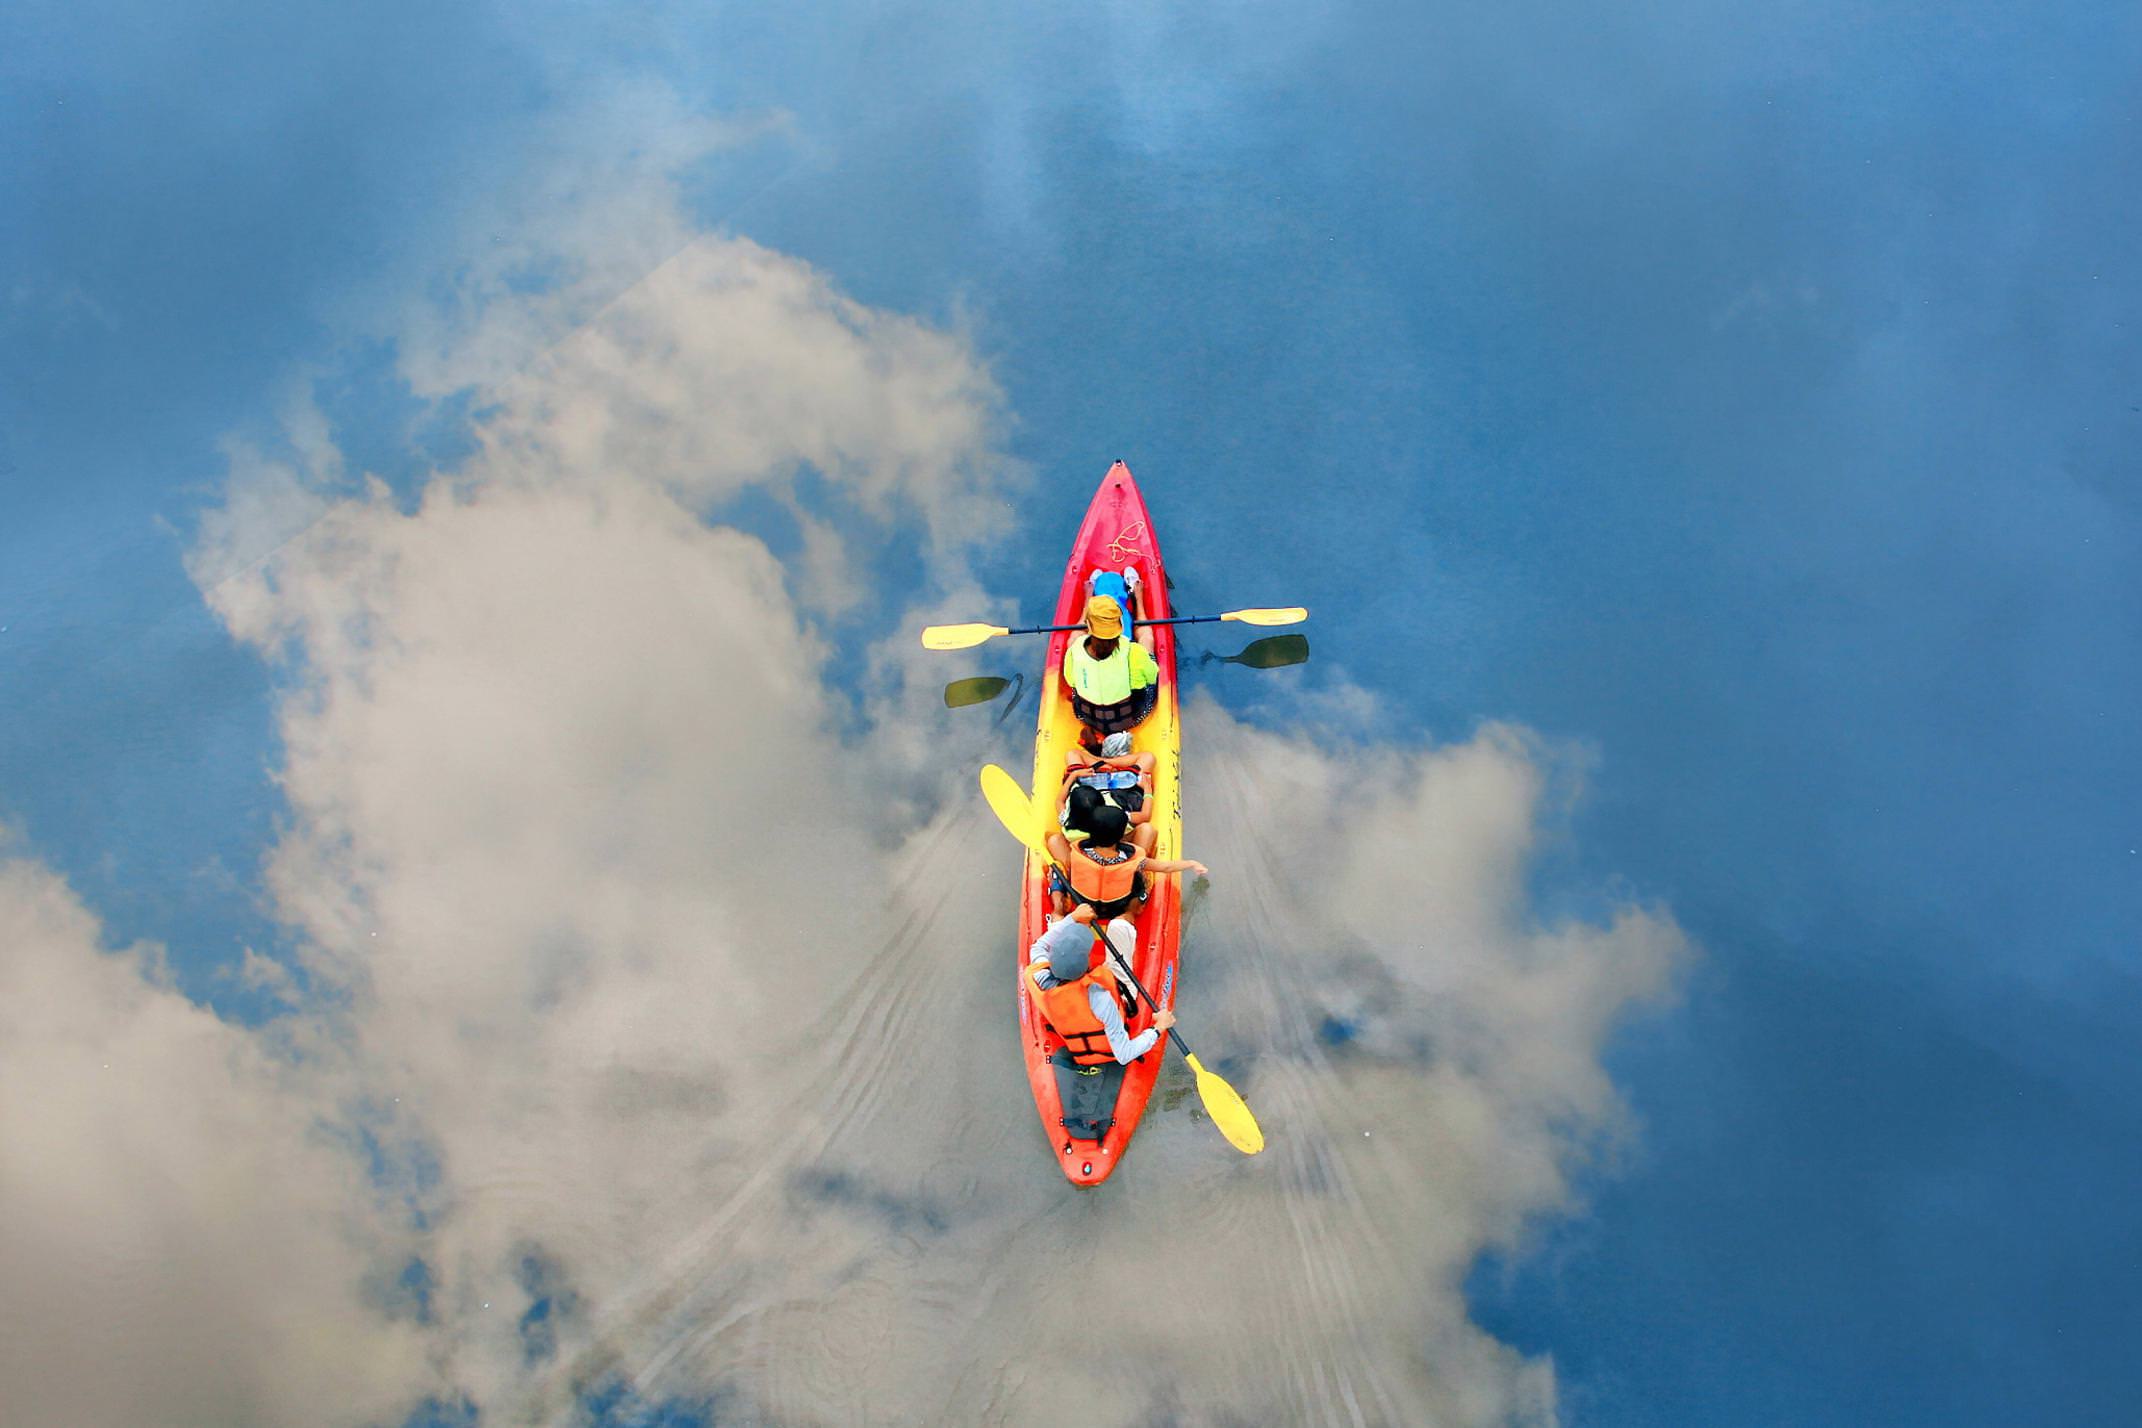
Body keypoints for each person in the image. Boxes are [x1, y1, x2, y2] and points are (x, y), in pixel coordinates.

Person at [1024, 904, 1176, 1065]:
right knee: (1119, 926)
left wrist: (1073, 917)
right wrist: (1159, 1027)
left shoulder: (1040, 976)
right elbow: (1124, 1054)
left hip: (1075, 1035)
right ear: (1086, 962)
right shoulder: (1100, 998)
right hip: (1107, 1029)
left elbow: (1039, 947)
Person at [1044, 803, 1206, 921]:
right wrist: (1191, 863)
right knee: (1142, 876)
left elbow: (1062, 846)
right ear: (1121, 835)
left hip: (1080, 903)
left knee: (1057, 867)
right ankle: (1130, 914)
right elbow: (1166, 866)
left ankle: (1058, 910)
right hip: (1117, 907)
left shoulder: (1076, 851)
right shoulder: (1135, 861)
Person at [1062, 589, 1159, 734]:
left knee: (1073, 637)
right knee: (1146, 639)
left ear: (1088, 625)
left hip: (1085, 716)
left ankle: (1087, 598)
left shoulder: (1074, 650)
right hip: (1131, 718)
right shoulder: (1134, 652)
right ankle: (1138, 599)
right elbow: (1152, 677)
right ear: (1119, 626)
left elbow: (1071, 681)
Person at [1059, 729, 1155, 835]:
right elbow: (1145, 815)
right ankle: (1107, 762)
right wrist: (1147, 788)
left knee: (1072, 754)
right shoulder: (1117, 816)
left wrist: (1074, 775)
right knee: (1148, 758)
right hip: (1121, 792)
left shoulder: (1068, 818)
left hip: (1092, 781)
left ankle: (1103, 762)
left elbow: (1059, 801)